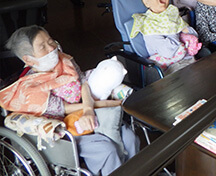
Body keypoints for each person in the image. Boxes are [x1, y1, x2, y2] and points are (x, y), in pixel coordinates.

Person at [0, 26, 139, 176]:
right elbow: (63, 109)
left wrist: (88, 110)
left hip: (85, 112)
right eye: (43, 47)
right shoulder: (29, 87)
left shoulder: (65, 61)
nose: (51, 48)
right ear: (28, 58)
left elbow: (83, 83)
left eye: (50, 40)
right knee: (105, 149)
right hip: (64, 131)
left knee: (130, 138)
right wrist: (101, 105)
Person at [130, 0, 203, 74]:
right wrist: (176, 32)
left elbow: (193, 35)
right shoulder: (149, 24)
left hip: (188, 60)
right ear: (146, 2)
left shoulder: (171, 14)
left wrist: (184, 33)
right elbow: (168, 52)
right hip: (170, 68)